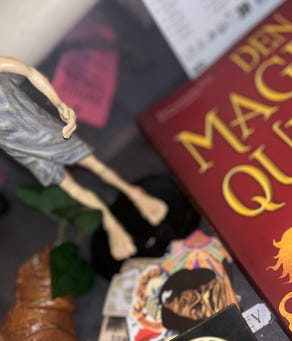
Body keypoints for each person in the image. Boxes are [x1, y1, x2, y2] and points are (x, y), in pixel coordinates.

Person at [0, 56, 167, 260]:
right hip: (25, 152)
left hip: (45, 132)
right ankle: (109, 221)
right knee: (70, 188)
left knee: (93, 164)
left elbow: (30, 72)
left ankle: (134, 193)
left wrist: (59, 104)